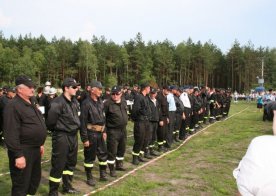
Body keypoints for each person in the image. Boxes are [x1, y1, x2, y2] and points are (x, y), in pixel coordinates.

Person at [3, 75, 47, 196]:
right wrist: (18, 155)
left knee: (34, 181)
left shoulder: (32, 101)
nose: (33, 89)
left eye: (33, 86)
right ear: (20, 89)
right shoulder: (13, 106)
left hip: (35, 149)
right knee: (21, 184)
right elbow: (10, 133)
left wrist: (40, 143)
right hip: (23, 150)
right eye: (29, 87)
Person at [46, 78, 80, 195]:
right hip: (62, 136)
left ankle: (67, 186)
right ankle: (53, 191)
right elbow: (50, 122)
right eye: (74, 87)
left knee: (71, 162)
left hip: (73, 136)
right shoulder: (57, 102)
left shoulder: (75, 101)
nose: (77, 89)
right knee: (58, 163)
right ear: (66, 88)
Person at [80, 80, 108, 186]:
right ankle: (89, 176)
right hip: (91, 133)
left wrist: (104, 130)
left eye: (101, 89)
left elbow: (103, 117)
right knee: (89, 156)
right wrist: (85, 139)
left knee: (103, 154)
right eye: (99, 89)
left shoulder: (100, 102)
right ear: (92, 90)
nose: (101, 91)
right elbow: (82, 123)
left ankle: (103, 173)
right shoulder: (86, 104)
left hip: (100, 133)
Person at [104, 85, 128, 177]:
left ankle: (119, 164)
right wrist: (104, 131)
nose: (115, 96)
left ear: (121, 94)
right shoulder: (107, 104)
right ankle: (111, 169)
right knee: (112, 151)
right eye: (113, 94)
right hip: (112, 131)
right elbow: (103, 119)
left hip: (123, 130)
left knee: (122, 148)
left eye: (117, 94)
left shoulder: (124, 102)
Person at [131, 83, 151, 165]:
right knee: (139, 139)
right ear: (145, 88)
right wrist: (143, 113)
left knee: (145, 139)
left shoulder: (145, 97)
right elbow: (136, 110)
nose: (150, 90)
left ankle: (140, 155)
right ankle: (135, 157)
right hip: (140, 121)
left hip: (145, 121)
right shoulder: (139, 97)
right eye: (149, 88)